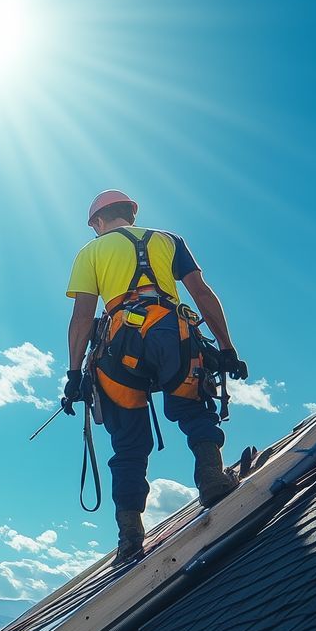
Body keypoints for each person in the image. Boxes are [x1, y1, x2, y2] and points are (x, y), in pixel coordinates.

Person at [62, 189, 249, 559]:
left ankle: (129, 533)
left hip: (119, 346)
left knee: (128, 444)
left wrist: (72, 373)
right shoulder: (169, 240)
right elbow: (201, 293)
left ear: (98, 222)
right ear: (130, 214)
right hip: (171, 332)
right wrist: (227, 347)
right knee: (194, 408)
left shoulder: (91, 252)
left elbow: (82, 317)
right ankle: (211, 476)